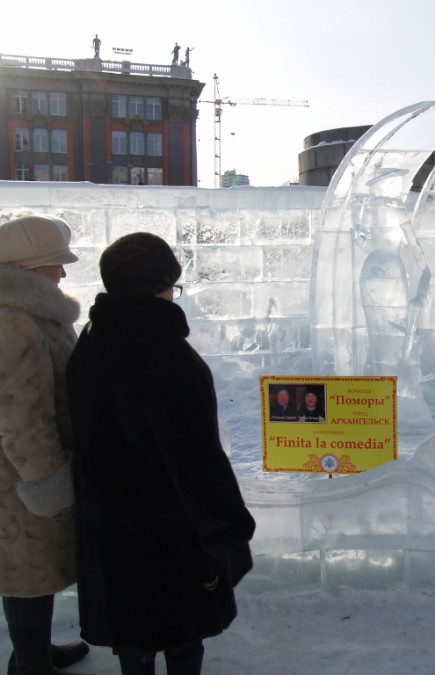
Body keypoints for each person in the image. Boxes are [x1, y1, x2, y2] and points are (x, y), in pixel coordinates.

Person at [67, 233, 255, 675]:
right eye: (172, 284)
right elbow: (195, 458)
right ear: (158, 286)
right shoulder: (167, 354)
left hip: (108, 527)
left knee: (131, 639)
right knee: (181, 637)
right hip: (167, 534)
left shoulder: (91, 341)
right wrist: (226, 528)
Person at [0, 216, 91, 674]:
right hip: (22, 480)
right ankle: (31, 665)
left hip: (24, 476)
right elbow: (22, 419)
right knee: (27, 571)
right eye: (56, 264)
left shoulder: (29, 313)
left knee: (32, 568)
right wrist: (49, 489)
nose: (63, 273)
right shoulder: (15, 322)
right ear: (30, 268)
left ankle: (32, 653)